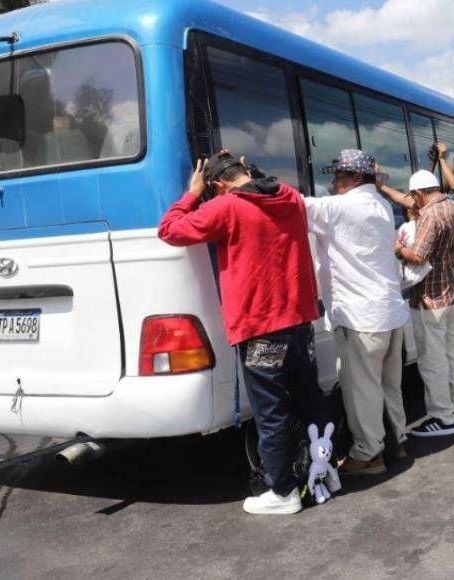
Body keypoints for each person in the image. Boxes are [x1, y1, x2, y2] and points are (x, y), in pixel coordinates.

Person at [158, 151, 324, 516]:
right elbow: (261, 185)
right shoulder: (290, 196)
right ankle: (321, 472)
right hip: (299, 320)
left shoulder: (225, 207)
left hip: (261, 325)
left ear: (216, 185)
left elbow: (169, 229)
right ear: (245, 171)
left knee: (271, 410)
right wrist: (249, 171)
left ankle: (283, 491)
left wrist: (191, 193)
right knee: (308, 397)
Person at [304, 149, 411, 475]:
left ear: (354, 178)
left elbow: (294, 205)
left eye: (338, 177)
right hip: (389, 313)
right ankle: (397, 441)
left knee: (361, 388)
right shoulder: (379, 204)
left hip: (362, 317)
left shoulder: (342, 206)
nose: (333, 183)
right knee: (388, 385)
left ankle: (368, 455)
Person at [381, 166, 454, 437]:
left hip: (431, 299)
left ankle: (442, 418)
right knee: (453, 355)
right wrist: (383, 188)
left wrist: (398, 249)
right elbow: (410, 202)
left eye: (413, 197)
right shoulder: (452, 206)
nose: (412, 203)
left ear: (419, 193)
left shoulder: (429, 215)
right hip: (452, 296)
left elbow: (418, 256)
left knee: (432, 361)